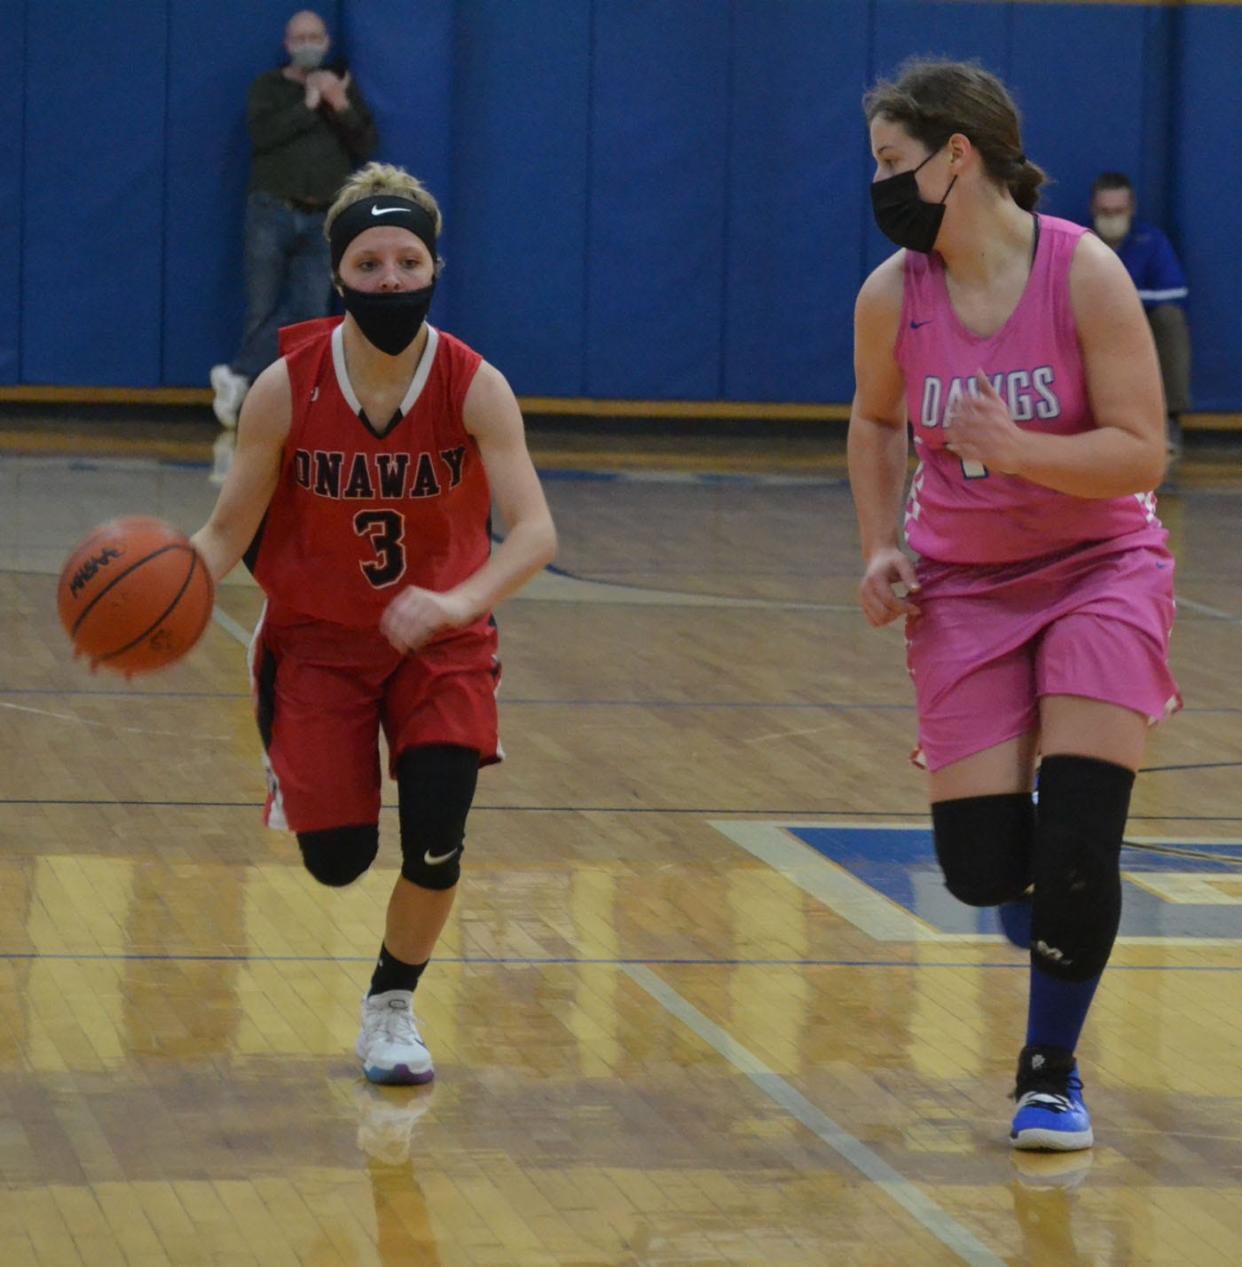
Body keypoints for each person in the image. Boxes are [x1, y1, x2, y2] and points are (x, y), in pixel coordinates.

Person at [849, 59, 1178, 1152]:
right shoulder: (894, 293)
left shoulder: (1082, 273)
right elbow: (875, 422)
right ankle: (1057, 918)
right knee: (982, 867)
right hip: (965, 588)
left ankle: (1050, 1070)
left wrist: (1018, 449)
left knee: (1082, 840)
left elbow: (1143, 451)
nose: (882, 187)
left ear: (958, 155)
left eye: (893, 164)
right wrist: (880, 543)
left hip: (1100, 569)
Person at [191, 161, 557, 1084]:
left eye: (406, 261)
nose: (389, 279)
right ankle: (307, 781)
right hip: (317, 646)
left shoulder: (476, 385)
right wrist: (164, 592)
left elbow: (537, 533)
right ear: (338, 274)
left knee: (438, 832)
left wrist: (459, 601)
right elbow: (226, 531)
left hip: (444, 644)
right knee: (339, 860)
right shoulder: (285, 386)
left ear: (433, 268)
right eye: (369, 263)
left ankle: (392, 1004)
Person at [210, 10, 378, 431]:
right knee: (261, 309)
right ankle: (248, 400)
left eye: (315, 37)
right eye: (299, 37)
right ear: (287, 45)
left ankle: (246, 380)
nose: (308, 44)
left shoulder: (342, 87)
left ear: (326, 42)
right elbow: (262, 136)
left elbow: (366, 144)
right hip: (272, 212)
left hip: (323, 217)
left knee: (309, 314)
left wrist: (339, 104)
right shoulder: (268, 88)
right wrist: (308, 106)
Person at [1090, 173, 1192, 455]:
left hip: (1142, 320)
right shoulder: (1078, 239)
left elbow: (1174, 293)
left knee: (1170, 319)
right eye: (1104, 211)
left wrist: (1123, 301)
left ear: (1131, 209)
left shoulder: (1151, 240)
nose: (1111, 217)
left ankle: (1169, 418)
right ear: (1093, 209)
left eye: (1118, 211)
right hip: (1093, 321)